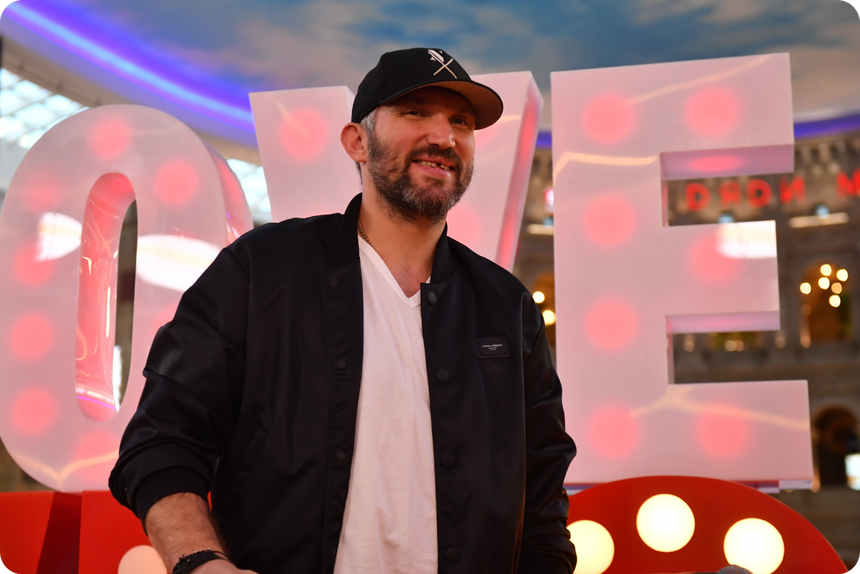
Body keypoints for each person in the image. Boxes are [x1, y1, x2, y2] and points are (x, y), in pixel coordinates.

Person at [110, 47, 576, 574]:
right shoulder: (262, 271)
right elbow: (162, 440)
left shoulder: (506, 306)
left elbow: (542, 503)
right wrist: (201, 562)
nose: (444, 137)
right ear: (357, 141)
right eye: (416, 112)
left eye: (461, 122)